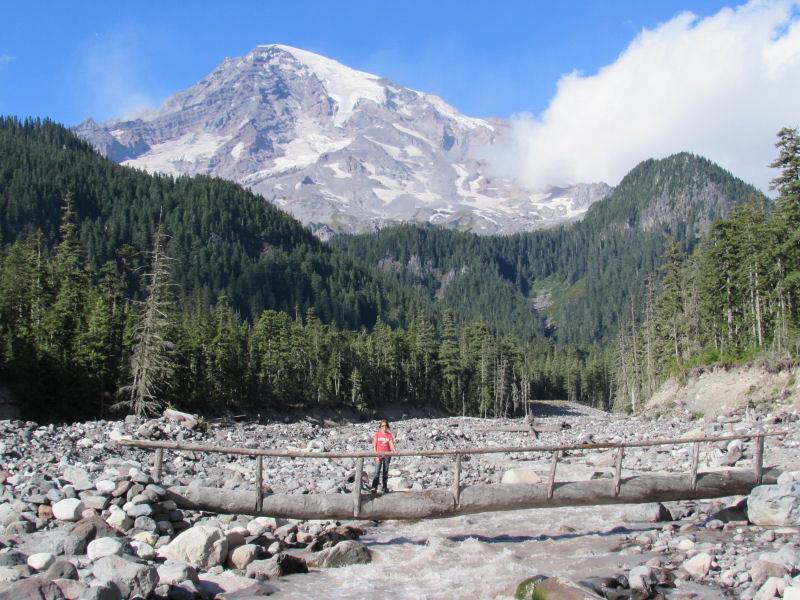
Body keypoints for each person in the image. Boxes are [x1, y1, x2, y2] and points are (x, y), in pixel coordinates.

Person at [371, 419, 396, 493]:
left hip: (387, 455)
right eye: (382, 426)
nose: (384, 427)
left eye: (385, 425)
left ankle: (385, 487)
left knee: (385, 472)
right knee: (377, 472)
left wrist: (394, 450)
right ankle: (374, 487)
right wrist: (376, 456)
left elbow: (391, 444)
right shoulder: (377, 434)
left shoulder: (389, 435)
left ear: (387, 426)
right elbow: (374, 446)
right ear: (380, 427)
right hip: (378, 455)